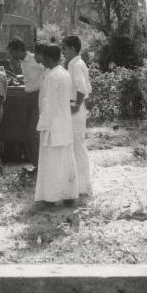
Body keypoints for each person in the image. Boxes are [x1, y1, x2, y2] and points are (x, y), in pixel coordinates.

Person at [35, 44, 78, 205]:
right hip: (64, 124)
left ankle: (50, 198)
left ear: (48, 58)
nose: (42, 61)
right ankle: (68, 195)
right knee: (65, 161)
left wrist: (42, 125)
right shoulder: (65, 73)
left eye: (43, 57)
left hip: (53, 125)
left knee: (52, 162)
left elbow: (49, 104)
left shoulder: (53, 76)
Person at [62, 35, 92, 195]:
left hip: (75, 107)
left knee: (78, 147)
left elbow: (82, 88)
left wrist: (77, 105)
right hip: (74, 106)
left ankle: (83, 187)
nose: (63, 51)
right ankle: (78, 185)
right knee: (74, 147)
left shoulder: (76, 65)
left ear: (73, 49)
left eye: (64, 48)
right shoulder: (74, 64)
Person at [7, 38, 44, 168]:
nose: (11, 56)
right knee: (26, 134)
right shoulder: (23, 62)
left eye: (12, 53)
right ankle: (36, 165)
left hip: (37, 96)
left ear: (19, 50)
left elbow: (47, 69)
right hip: (28, 97)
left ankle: (40, 166)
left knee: (32, 134)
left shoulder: (34, 59)